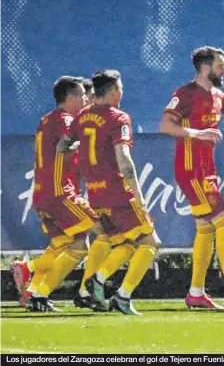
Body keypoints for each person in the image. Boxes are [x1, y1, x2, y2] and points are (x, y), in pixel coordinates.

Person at [160, 46, 224, 310]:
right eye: (221, 65)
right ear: (206, 67)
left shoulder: (218, 95)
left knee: (205, 229)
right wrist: (200, 133)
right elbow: (165, 125)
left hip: (207, 171)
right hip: (190, 170)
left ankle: (196, 292)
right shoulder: (185, 94)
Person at [58, 69, 161, 315]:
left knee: (126, 242)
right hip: (118, 193)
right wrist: (139, 195)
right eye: (121, 89)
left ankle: (98, 281)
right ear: (114, 92)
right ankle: (119, 294)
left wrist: (82, 152)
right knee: (151, 242)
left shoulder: (82, 116)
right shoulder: (119, 118)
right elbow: (124, 161)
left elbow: (63, 144)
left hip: (95, 195)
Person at [12, 76, 103, 312]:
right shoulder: (65, 119)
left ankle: (35, 294)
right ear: (71, 97)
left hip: (45, 193)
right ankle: (31, 268)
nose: (86, 98)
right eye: (83, 94)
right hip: (60, 193)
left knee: (67, 245)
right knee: (100, 233)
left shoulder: (47, 119)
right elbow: (66, 145)